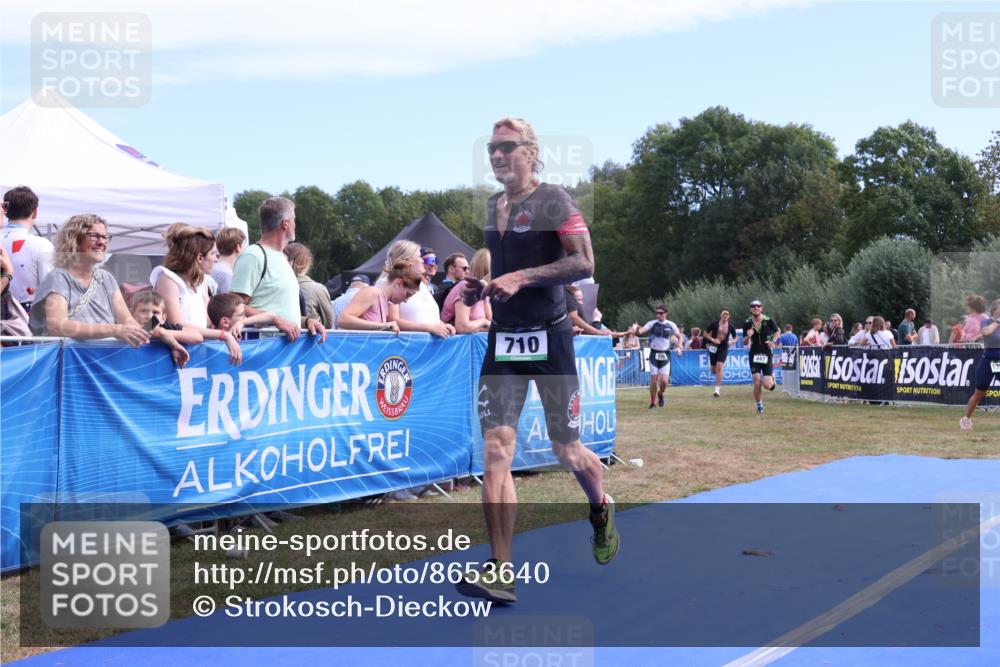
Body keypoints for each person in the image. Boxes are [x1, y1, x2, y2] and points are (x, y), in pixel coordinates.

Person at [456, 117, 618, 605]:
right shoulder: (492, 206)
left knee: (567, 449)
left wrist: (523, 277)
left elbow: (585, 263)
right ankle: (501, 569)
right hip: (505, 339)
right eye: (491, 149)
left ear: (530, 150)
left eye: (507, 147)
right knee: (496, 451)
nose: (497, 156)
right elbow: (503, 271)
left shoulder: (554, 200)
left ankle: (600, 506)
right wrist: (482, 285)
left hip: (551, 339)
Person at [28, 214, 149, 346]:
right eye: (94, 236)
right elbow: (58, 327)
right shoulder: (58, 277)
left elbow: (128, 321)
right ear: (74, 239)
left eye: (104, 237)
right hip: (71, 362)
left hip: (105, 360)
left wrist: (157, 329)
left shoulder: (106, 278)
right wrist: (115, 329)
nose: (102, 242)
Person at [230, 196, 326, 342]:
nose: (295, 224)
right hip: (262, 351)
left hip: (282, 356)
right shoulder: (253, 256)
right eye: (294, 219)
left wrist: (307, 322)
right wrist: (276, 320)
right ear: (285, 224)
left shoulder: (282, 257)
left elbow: (282, 314)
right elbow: (233, 307)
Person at [152, 223, 242, 364]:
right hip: (173, 359)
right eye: (213, 254)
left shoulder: (202, 282)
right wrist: (223, 335)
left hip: (198, 357)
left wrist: (236, 321)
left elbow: (208, 322)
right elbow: (178, 325)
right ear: (200, 258)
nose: (216, 259)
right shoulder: (168, 280)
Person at [383, 240, 455, 338]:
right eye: (418, 256)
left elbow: (428, 316)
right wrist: (430, 328)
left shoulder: (421, 285)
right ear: (406, 260)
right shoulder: (392, 283)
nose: (422, 260)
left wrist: (442, 325)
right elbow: (392, 321)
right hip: (407, 348)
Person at [1, 186, 54, 312]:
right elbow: (51, 289)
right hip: (25, 317)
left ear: (5, 210)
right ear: (35, 212)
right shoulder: (41, 244)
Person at [337, 260, 422, 333]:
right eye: (407, 295)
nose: (405, 300)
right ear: (398, 283)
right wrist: (382, 326)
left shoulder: (384, 301)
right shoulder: (372, 292)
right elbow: (343, 319)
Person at [128, 290, 200, 367]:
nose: (149, 317)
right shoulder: (128, 329)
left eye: (155, 312)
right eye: (143, 311)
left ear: (163, 318)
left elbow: (198, 337)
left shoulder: (165, 327)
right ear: (131, 314)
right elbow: (159, 332)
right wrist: (163, 335)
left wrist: (165, 334)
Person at [960, 299, 1000, 431]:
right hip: (988, 360)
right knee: (979, 394)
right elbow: (986, 332)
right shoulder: (986, 321)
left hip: (998, 361)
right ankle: (966, 419)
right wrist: (998, 322)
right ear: (995, 309)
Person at [633, 304, 682, 409]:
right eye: (657, 313)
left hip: (665, 354)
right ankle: (653, 403)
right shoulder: (652, 323)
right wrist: (636, 329)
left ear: (666, 314)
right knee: (654, 380)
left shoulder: (671, 324)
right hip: (654, 354)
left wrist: (679, 347)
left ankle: (661, 393)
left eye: (661, 313)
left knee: (664, 381)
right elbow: (640, 332)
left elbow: (679, 336)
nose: (658, 315)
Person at [284, 242, 334, 329]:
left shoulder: (276, 286)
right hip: (311, 338)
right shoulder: (318, 289)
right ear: (307, 263)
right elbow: (329, 323)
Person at [441, 248, 492, 333]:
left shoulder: (483, 291)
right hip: (454, 344)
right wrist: (483, 322)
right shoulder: (466, 287)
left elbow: (492, 323)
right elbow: (462, 327)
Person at [743, 299, 780, 415]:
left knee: (767, 385)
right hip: (754, 353)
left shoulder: (768, 320)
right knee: (757, 381)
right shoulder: (747, 323)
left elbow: (778, 331)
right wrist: (748, 337)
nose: (756, 308)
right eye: (753, 306)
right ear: (750, 309)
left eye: (758, 306)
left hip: (766, 352)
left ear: (761, 308)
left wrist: (773, 341)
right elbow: (744, 342)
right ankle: (759, 405)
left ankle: (772, 380)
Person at [703, 307, 738, 397]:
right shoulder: (714, 324)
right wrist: (712, 339)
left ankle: (717, 390)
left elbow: (736, 337)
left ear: (729, 316)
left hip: (724, 347)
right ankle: (719, 374)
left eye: (726, 314)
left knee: (719, 367)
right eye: (723, 313)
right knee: (714, 370)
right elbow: (705, 333)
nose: (725, 315)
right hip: (713, 347)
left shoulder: (731, 326)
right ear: (721, 315)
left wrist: (732, 341)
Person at [211, 227, 246, 295]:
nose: (245, 249)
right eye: (243, 246)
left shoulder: (213, 268)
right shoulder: (226, 274)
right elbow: (230, 304)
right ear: (238, 247)